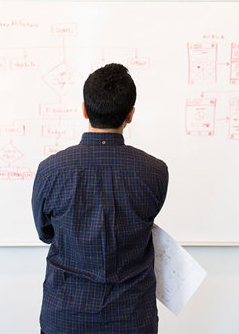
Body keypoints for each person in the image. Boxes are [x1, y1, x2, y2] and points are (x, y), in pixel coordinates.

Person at [32, 63, 169, 334]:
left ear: (84, 109)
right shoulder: (154, 172)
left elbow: (45, 233)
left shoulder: (51, 170)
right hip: (132, 318)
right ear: (130, 115)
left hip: (66, 316)